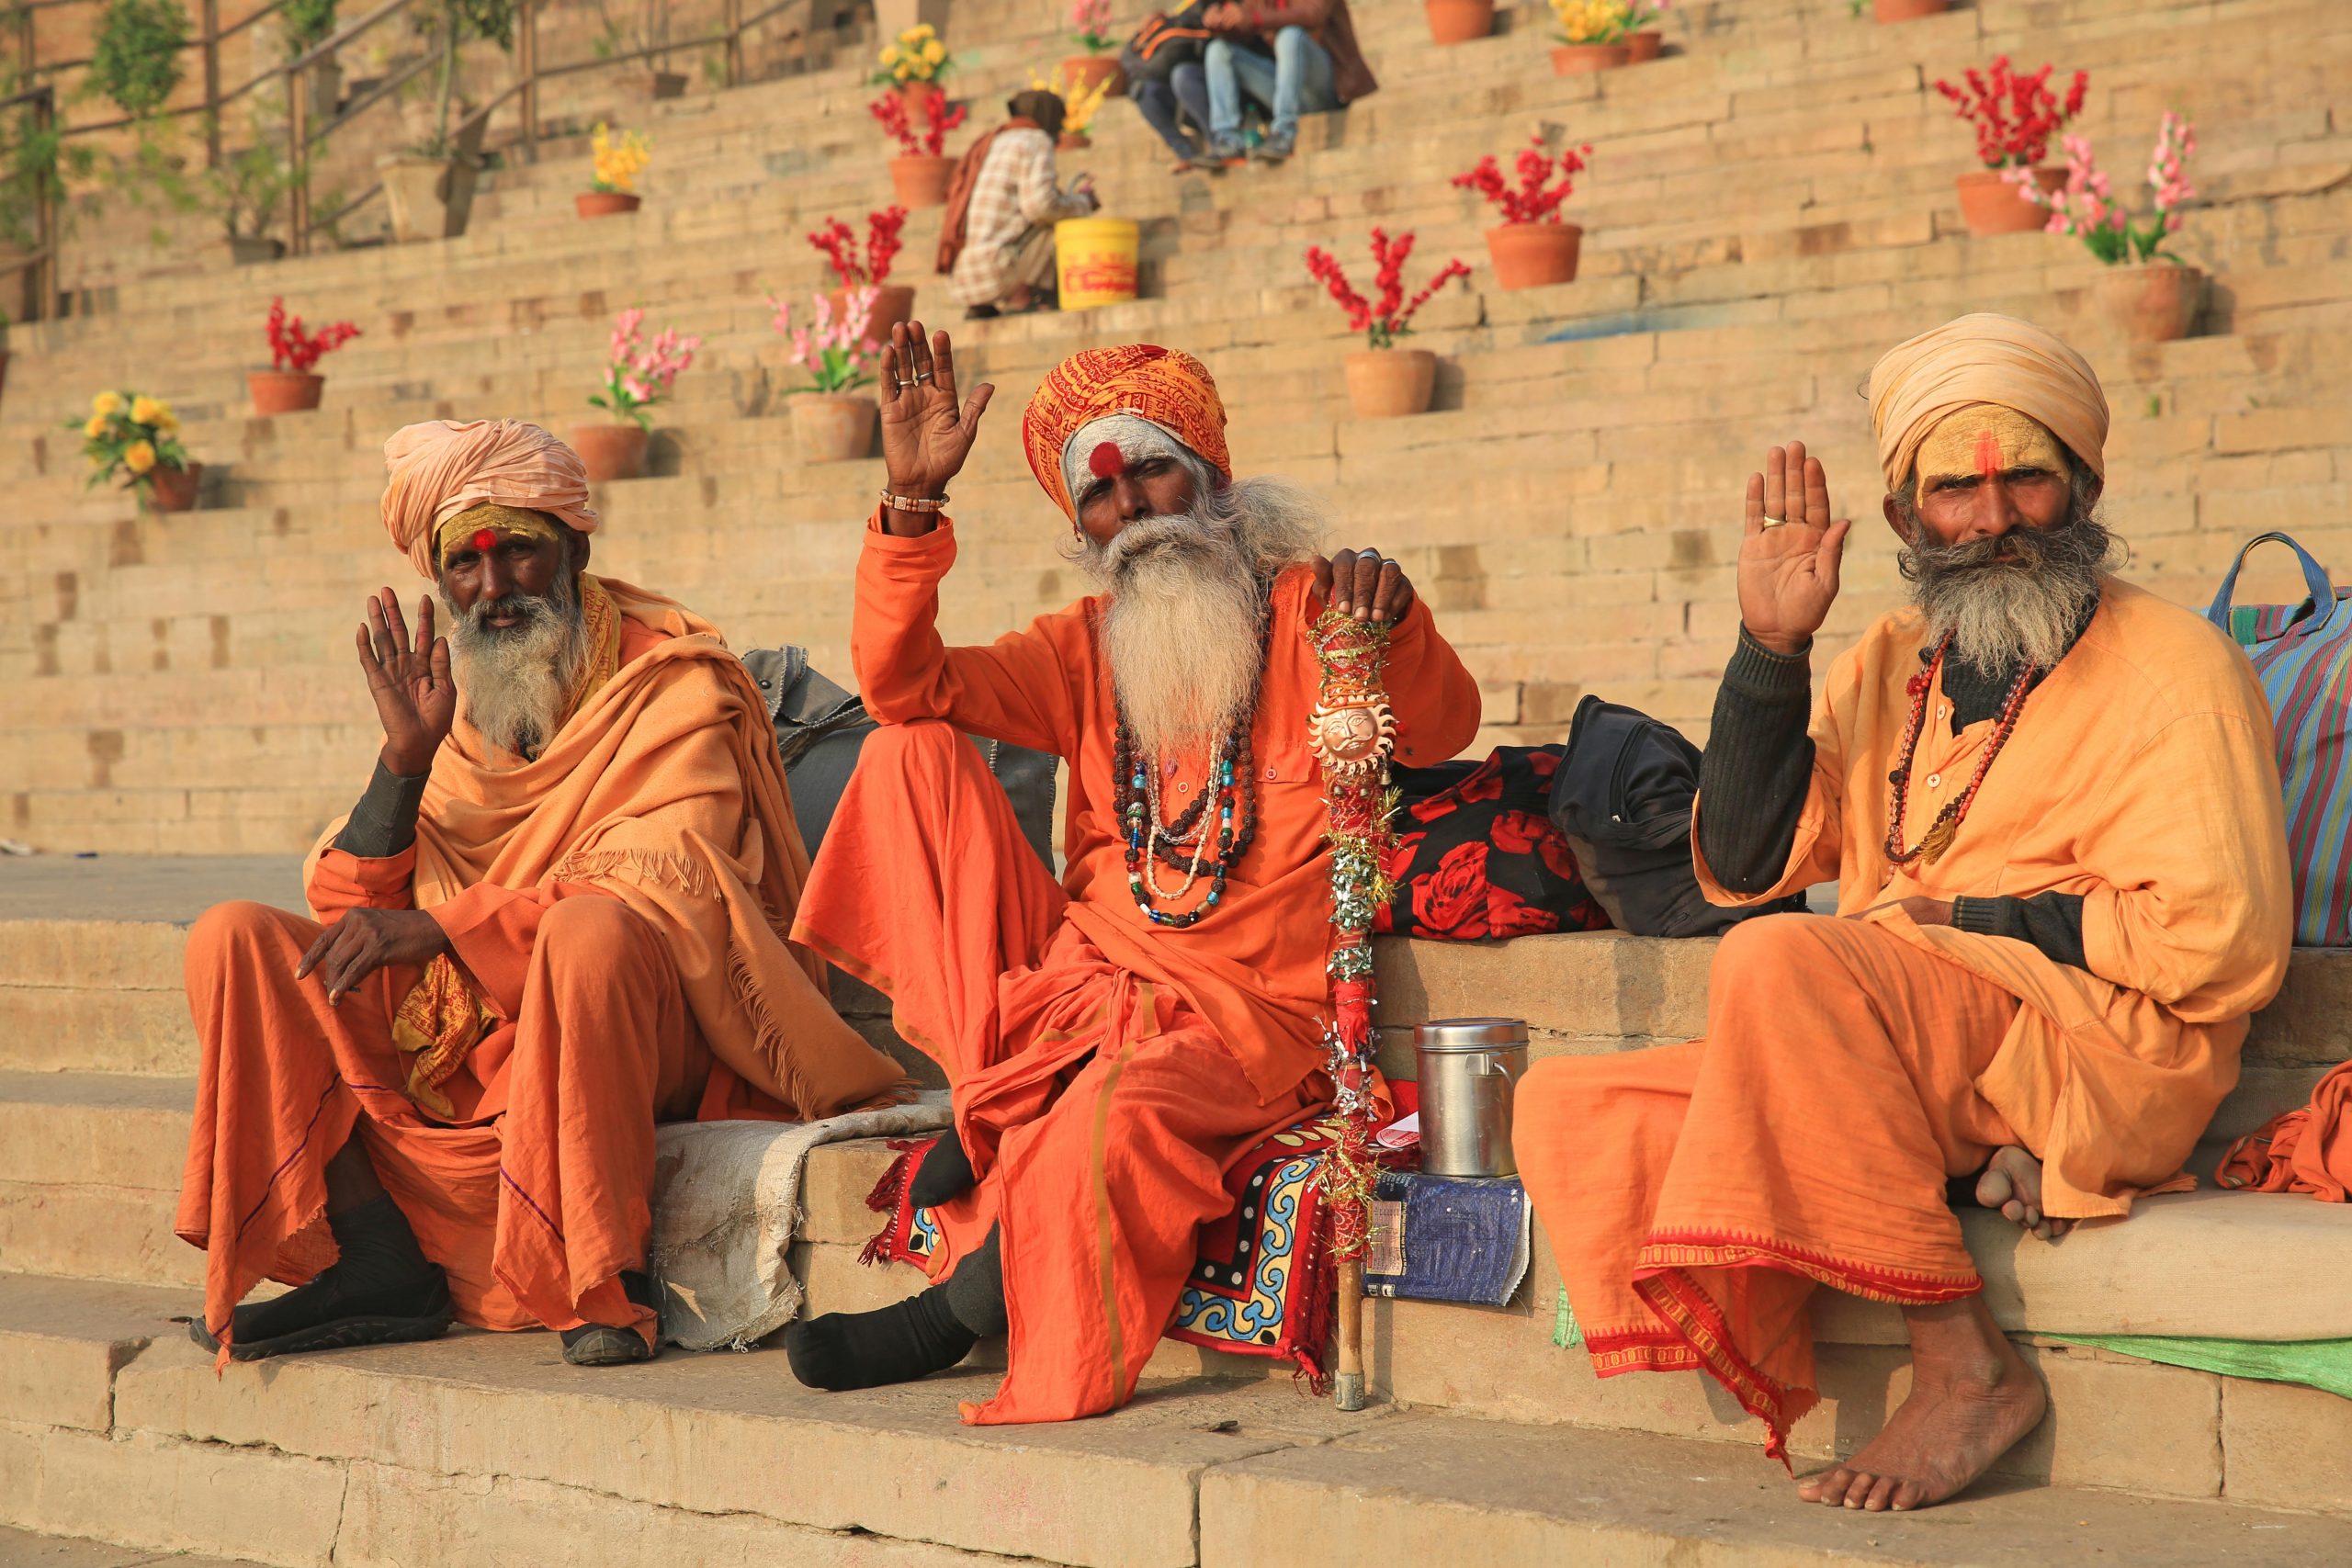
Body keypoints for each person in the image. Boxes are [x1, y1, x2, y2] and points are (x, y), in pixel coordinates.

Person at [1512, 313, 2293, 1512]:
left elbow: (2225, 943)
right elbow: (1749, 854)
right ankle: (1954, 1165)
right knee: (1576, 1103)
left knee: (1781, 966)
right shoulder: (1891, 658)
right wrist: (1771, 649)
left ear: (2084, 483)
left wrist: (1969, 914)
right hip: (1908, 1026)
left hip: (2105, 1039)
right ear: (1901, 518)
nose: (1992, 519)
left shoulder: (2179, 665)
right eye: (1954, 490)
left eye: (2025, 476)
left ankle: (1966, 1363)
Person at [783, 327, 1480, 1422]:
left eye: (1151, 468)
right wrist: (910, 508)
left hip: (1245, 1018)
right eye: (1100, 493)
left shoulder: (1314, 612)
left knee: (1115, 1112)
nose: (1133, 508)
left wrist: (1393, 624)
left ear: (1213, 476)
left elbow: (1443, 728)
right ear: (1080, 526)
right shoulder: (1082, 646)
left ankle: (971, 1306)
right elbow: (898, 678)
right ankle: (993, 1099)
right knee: (905, 748)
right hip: (1089, 975)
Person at [175, 419, 909, 1368]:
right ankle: (378, 1256)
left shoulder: (672, 680)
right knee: (233, 939)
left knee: (588, 933)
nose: (495, 586)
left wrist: (442, 928)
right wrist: (403, 764)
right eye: (466, 565)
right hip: (479, 1022)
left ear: (574, 549)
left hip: (646, 1012)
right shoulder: (464, 698)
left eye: (518, 550)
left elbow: (665, 880)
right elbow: (343, 902)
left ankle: (598, 1272)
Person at [938, 88, 1099, 319]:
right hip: (996, 272)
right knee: (1058, 220)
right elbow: (1041, 207)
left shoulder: (991, 142)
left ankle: (983, 305)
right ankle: (1024, 298)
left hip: (962, 276)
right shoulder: (1035, 140)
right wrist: (1083, 203)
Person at [1201, 0, 1376, 165]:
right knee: (1218, 50)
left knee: (1290, 35)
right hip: (1288, 91)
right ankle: (1229, 140)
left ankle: (1283, 133)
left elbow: (1312, 13)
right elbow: (1245, 19)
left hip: (1327, 88)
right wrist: (1221, 22)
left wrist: (1255, 19)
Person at [1124, 5, 1218, 172]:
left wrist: (1141, 69)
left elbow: (1173, 54)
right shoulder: (1161, 24)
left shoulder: (1197, 11)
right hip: (1179, 97)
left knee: (1181, 75)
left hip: (1208, 87)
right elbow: (1126, 58)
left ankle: (1219, 145)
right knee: (1143, 91)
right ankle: (1187, 154)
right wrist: (1141, 32)